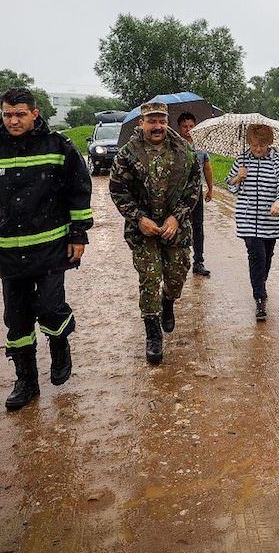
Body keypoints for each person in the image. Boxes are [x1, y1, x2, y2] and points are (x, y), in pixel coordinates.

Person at [0, 87, 93, 411]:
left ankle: (59, 346)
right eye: (7, 114)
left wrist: (78, 234)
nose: (13, 120)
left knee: (51, 308)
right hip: (10, 251)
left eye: (19, 114)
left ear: (34, 113)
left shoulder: (58, 146)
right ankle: (25, 381)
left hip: (52, 247)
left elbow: (79, 190)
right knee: (17, 318)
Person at [109, 102, 200, 364]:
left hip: (176, 230)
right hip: (143, 231)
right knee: (149, 278)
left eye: (161, 120)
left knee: (176, 276)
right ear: (141, 123)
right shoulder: (127, 154)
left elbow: (193, 188)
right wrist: (139, 218)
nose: (157, 126)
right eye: (151, 121)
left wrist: (177, 217)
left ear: (167, 121)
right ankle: (152, 334)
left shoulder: (185, 151)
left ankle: (168, 302)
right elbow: (118, 190)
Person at [225, 124, 279, 321]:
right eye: (254, 145)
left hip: (270, 219)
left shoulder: (278, 162)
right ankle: (260, 298)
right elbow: (228, 183)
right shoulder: (242, 160)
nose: (258, 149)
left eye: (262, 145)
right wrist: (238, 177)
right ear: (249, 143)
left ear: (270, 143)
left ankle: (260, 283)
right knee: (257, 256)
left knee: (267, 256)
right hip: (247, 218)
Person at [176, 111, 214, 277]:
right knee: (179, 225)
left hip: (196, 192)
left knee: (198, 226)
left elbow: (207, 167)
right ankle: (178, 260)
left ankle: (198, 261)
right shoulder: (174, 145)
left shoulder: (201, 146)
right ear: (179, 128)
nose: (188, 129)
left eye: (191, 126)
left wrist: (210, 189)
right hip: (178, 194)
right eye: (185, 126)